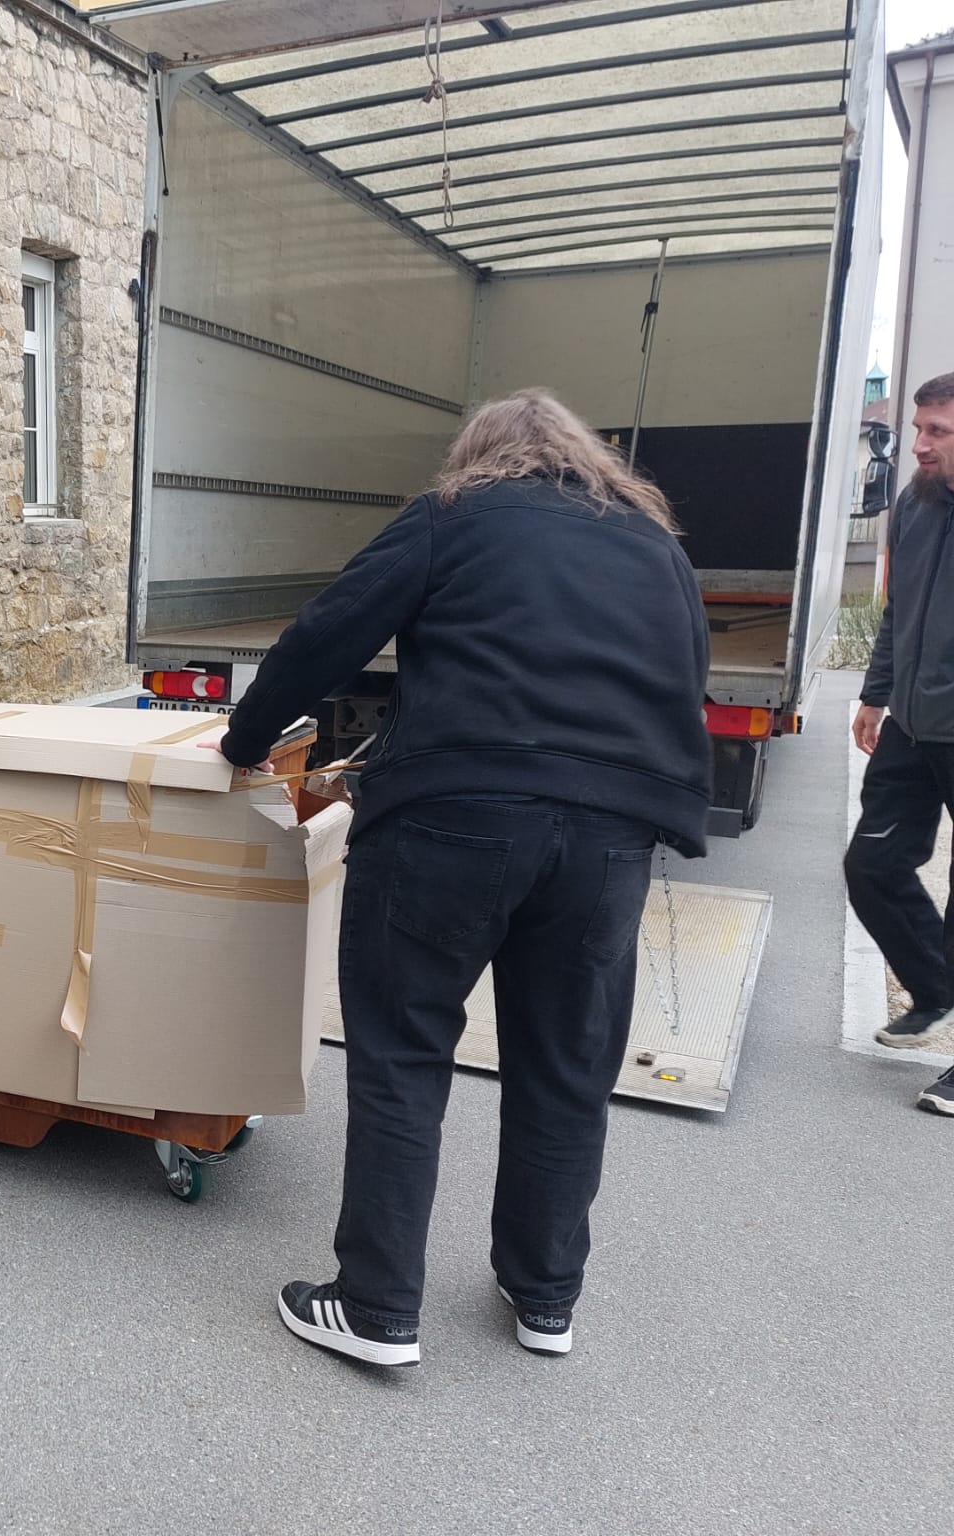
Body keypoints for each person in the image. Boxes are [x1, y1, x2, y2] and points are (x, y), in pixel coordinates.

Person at [216, 389, 711, 1367]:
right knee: (564, 1065)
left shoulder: (450, 517)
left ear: (478, 456)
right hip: (610, 839)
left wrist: (245, 739)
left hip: (452, 820)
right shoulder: (656, 546)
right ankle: (544, 1296)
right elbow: (684, 675)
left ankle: (375, 1307)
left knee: (403, 1049)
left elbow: (328, 632)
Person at [846, 370, 954, 1116]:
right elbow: (897, 611)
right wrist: (875, 695)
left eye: (937, 431)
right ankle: (936, 990)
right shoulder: (914, 506)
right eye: (918, 429)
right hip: (912, 728)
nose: (918, 444)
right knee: (872, 865)